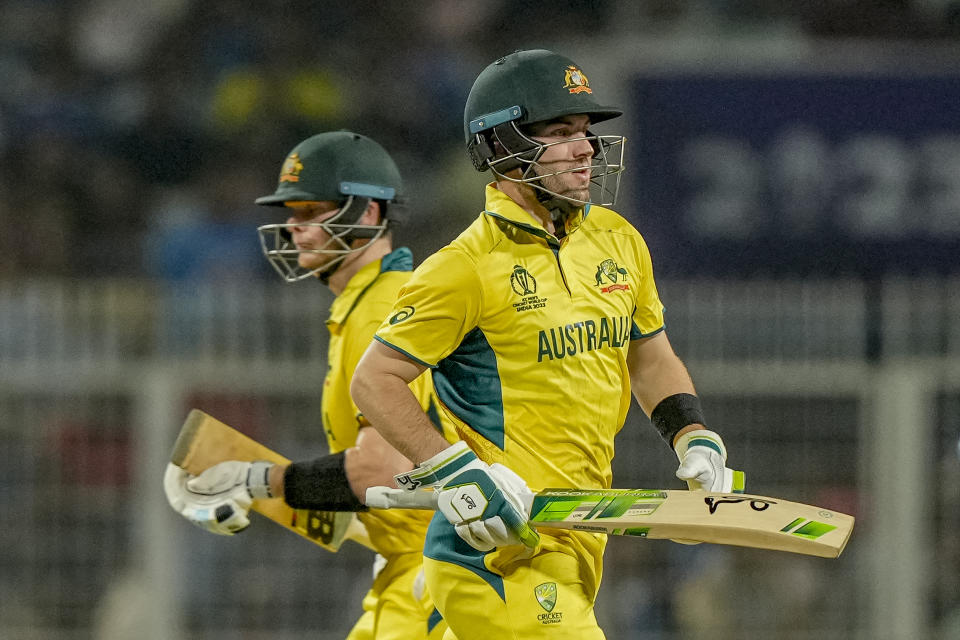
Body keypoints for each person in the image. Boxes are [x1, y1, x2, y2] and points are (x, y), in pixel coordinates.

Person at [350, 49, 744, 639]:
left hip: (579, 535)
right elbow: (373, 381)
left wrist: (694, 434)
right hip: (495, 548)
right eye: (560, 133)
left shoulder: (619, 240)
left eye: (585, 132)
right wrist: (456, 472)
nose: (585, 147)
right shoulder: (463, 268)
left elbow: (650, 354)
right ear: (501, 145)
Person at [164, 131, 455, 640]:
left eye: (310, 212)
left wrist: (256, 480)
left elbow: (379, 475)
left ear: (367, 214)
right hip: (420, 570)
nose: (294, 229)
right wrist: (262, 487)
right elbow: (400, 496)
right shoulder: (367, 305)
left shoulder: (382, 309)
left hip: (435, 583)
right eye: (291, 214)